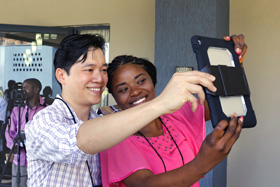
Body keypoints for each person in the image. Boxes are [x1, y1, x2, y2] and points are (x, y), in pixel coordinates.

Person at [25, 34, 244, 187]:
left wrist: (230, 61)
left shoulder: (105, 116)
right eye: (89, 69)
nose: (99, 78)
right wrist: (160, 103)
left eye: (102, 70)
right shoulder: (43, 123)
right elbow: (75, 141)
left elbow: (213, 103)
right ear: (61, 76)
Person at [99, 50, 246, 186]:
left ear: (152, 81)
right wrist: (204, 162)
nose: (135, 91)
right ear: (115, 97)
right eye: (123, 89)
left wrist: (232, 63)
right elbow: (144, 184)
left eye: (141, 81)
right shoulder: (115, 139)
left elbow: (219, 102)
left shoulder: (177, 114)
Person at [5, 78, 46, 187]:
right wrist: (12, 145)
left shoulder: (46, 110)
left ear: (36, 89)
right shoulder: (17, 109)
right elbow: (9, 131)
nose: (23, 91)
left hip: (40, 160)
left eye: (26, 88)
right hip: (20, 159)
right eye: (22, 88)